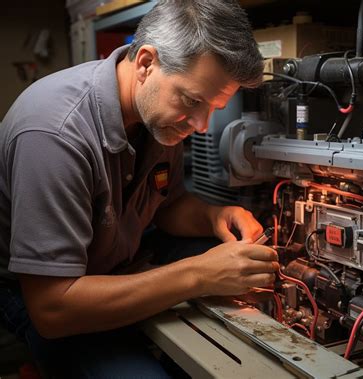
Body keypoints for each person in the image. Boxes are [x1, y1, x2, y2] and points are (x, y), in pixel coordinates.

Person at [0, 1, 279, 377]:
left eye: (214, 107)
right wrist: (197, 276)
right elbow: (52, 307)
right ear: (146, 63)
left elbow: (166, 205)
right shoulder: (55, 133)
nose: (200, 125)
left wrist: (215, 216)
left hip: (116, 258)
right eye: (193, 101)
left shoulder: (160, 114)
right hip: (40, 293)